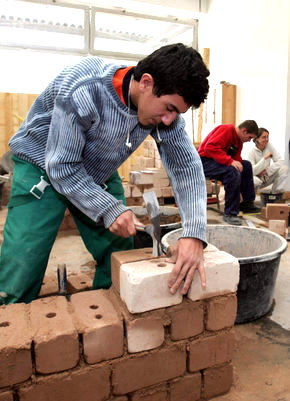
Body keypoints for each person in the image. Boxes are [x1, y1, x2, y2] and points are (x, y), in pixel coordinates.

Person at [0, 43, 210, 305]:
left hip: (98, 168)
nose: (169, 119)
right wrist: (109, 208)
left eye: (177, 113)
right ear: (146, 82)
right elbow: (62, 166)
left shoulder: (165, 115)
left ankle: (106, 316)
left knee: (118, 255)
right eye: (168, 108)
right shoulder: (84, 89)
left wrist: (193, 232)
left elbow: (186, 168)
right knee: (23, 263)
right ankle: (11, 325)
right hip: (43, 166)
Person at [198, 121, 260, 226]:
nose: (249, 141)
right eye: (249, 137)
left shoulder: (239, 141)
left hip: (218, 162)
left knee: (246, 166)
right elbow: (210, 147)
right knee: (232, 171)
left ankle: (246, 204)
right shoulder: (226, 129)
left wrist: (238, 190)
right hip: (204, 162)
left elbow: (237, 160)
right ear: (244, 131)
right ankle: (230, 213)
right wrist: (229, 161)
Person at [248, 127, 289, 196]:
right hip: (257, 178)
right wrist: (264, 158)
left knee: (285, 168)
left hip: (267, 176)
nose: (266, 139)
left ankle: (275, 194)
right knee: (254, 181)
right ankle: (251, 197)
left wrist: (267, 171)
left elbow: (281, 161)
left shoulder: (269, 145)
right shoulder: (251, 152)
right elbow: (253, 171)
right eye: (264, 137)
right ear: (256, 139)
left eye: (267, 137)